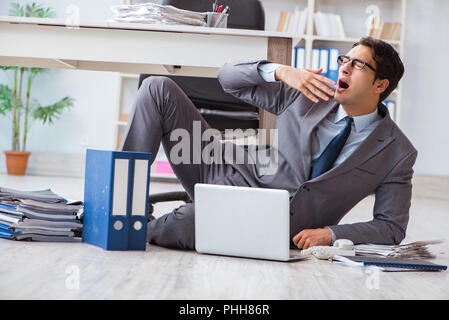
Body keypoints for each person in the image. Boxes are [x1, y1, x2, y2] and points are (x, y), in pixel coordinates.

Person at [121, 36, 417, 250]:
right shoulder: (305, 93)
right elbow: (228, 78)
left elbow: (391, 227)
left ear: (381, 85)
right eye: (345, 60)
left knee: (187, 223)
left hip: (267, 219)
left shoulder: (397, 152)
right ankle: (120, 204)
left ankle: (136, 228)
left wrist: (331, 233)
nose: (344, 68)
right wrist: (281, 71)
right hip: (219, 165)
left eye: (358, 65)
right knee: (156, 87)